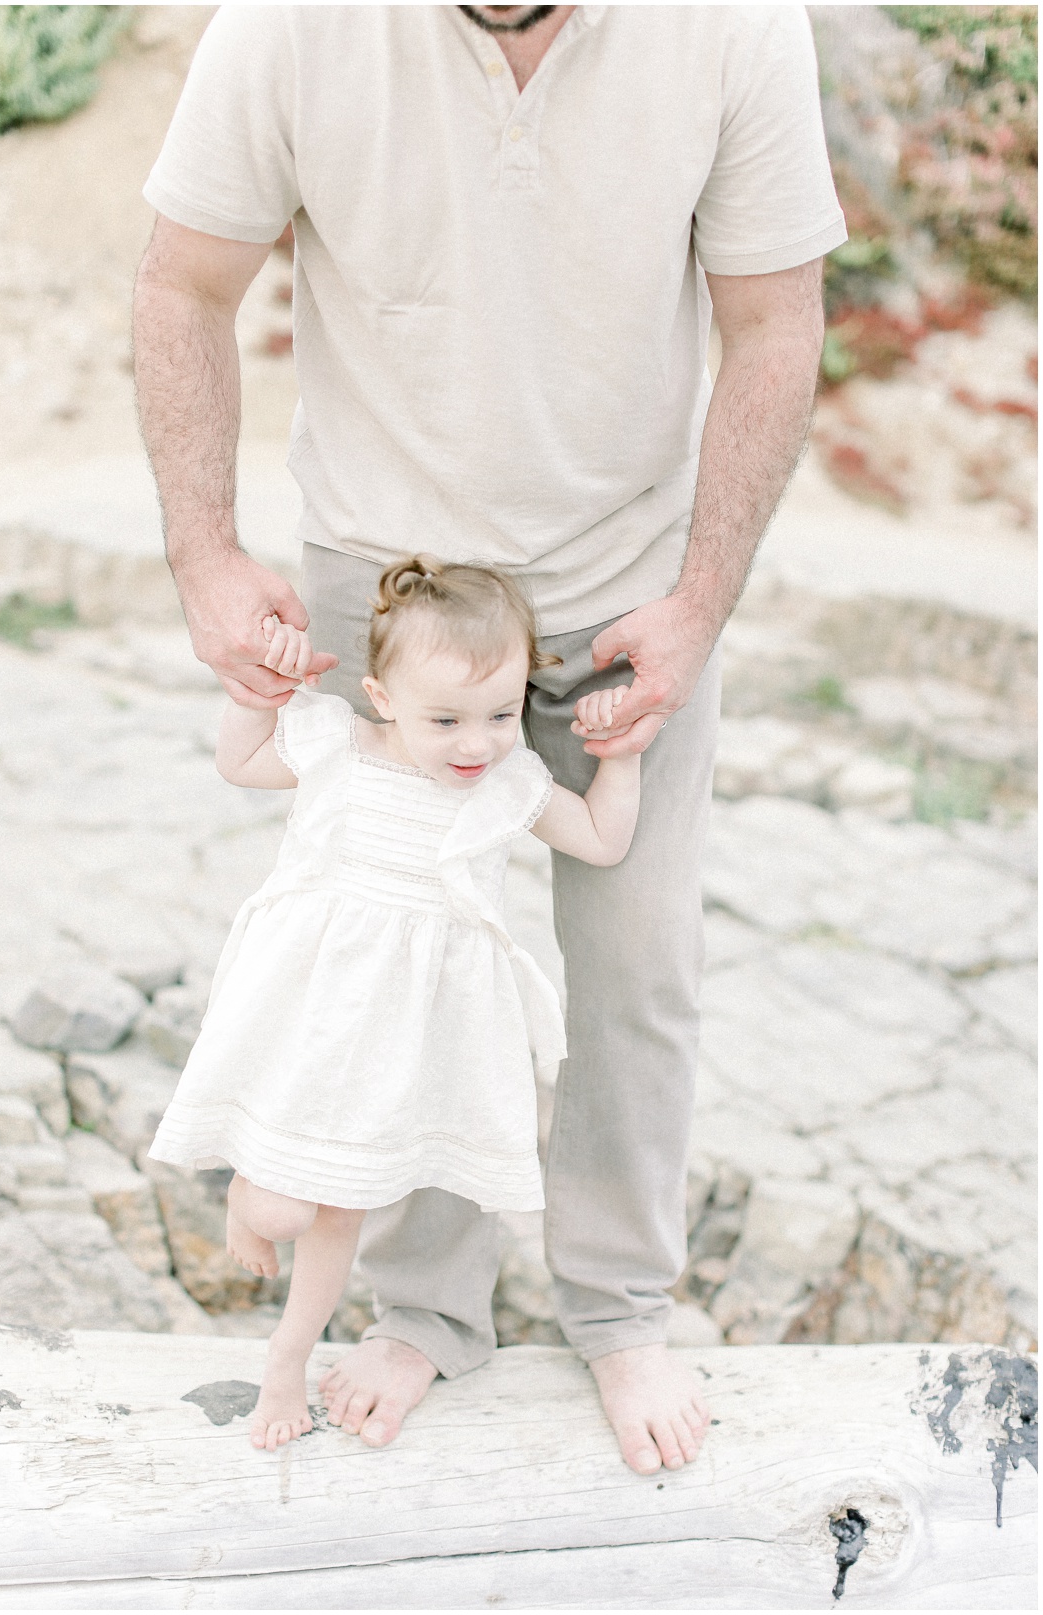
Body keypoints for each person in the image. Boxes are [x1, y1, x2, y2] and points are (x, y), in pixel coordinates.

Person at [133, 4, 846, 1475]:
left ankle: (619, 1304)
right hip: (381, 589)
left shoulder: (737, 28)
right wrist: (206, 557)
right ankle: (426, 1307)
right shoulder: (284, 27)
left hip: (625, 590)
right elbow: (183, 284)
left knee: (636, 966)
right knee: (400, 958)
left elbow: (777, 318)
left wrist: (701, 599)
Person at [149, 556, 642, 1450]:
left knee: (343, 1208)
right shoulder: (338, 743)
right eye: (445, 718)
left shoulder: (509, 782)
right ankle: (247, 1197)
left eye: (501, 714)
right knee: (280, 1211)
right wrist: (260, 691)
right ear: (381, 695)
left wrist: (624, 758)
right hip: (312, 1008)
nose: (475, 742)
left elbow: (604, 840)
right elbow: (241, 760)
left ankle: (285, 1362)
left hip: (402, 1040)